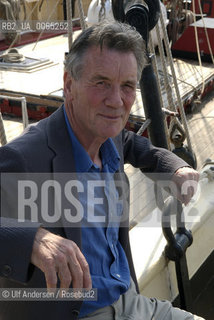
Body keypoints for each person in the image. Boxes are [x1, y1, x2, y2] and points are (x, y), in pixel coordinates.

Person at [0, 21, 203, 320]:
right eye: (101, 83)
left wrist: (173, 166)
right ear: (69, 84)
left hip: (129, 302)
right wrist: (33, 239)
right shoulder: (24, 157)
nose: (117, 101)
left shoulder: (108, 136)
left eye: (127, 86)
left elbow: (134, 144)